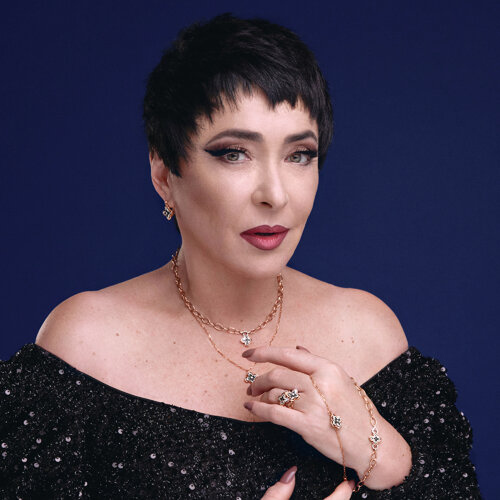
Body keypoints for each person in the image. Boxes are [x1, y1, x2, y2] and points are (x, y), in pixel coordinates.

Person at [0, 13, 481, 499]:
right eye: (234, 153)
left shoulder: (368, 331)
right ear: (165, 175)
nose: (275, 194)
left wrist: (380, 449)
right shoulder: (85, 345)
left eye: (299, 155)